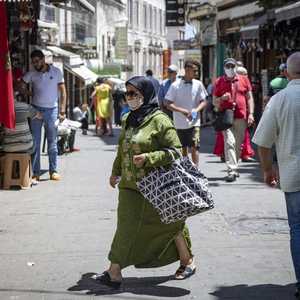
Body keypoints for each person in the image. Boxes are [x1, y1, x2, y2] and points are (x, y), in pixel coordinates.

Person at [92, 76, 195, 288]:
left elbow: (175, 152)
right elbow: (122, 149)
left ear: (146, 94)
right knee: (125, 227)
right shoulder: (128, 118)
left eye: (133, 94)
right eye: (126, 94)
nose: (128, 98)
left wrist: (150, 158)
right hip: (130, 186)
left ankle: (187, 260)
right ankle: (115, 271)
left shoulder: (160, 120)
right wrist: (115, 172)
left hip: (156, 186)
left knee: (171, 223)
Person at [252, 52, 300, 299]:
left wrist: (267, 169)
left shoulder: (280, 99)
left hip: (294, 177)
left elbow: (262, 141)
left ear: (286, 73)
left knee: (298, 228)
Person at [19, 49, 66, 181]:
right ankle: (35, 173)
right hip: (36, 110)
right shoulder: (32, 74)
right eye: (33, 62)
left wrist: (62, 111)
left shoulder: (56, 72)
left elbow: (63, 92)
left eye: (37, 61)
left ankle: (53, 171)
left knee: (52, 142)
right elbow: (19, 85)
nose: (35, 64)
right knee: (35, 142)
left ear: (43, 60)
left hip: (52, 110)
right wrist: (29, 94)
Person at [213, 58, 255, 182]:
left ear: (236, 67)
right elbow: (214, 102)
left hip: (241, 116)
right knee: (229, 142)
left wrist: (251, 113)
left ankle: (235, 166)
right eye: (228, 66)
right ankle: (231, 170)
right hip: (226, 117)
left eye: (232, 66)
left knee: (237, 144)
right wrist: (221, 98)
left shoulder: (244, 79)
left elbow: (249, 98)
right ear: (224, 67)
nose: (230, 68)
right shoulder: (219, 81)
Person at [165, 60, 208, 166]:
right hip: (179, 123)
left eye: (197, 71)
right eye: (195, 71)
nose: (197, 73)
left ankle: (195, 169)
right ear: (187, 70)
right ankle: (185, 169)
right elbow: (167, 103)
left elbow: (204, 101)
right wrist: (182, 111)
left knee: (195, 146)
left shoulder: (198, 84)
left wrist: (196, 110)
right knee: (183, 148)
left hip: (194, 122)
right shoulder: (175, 86)